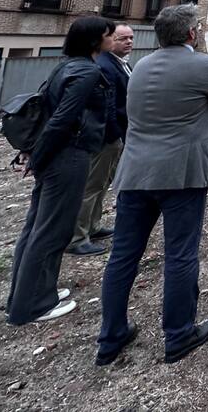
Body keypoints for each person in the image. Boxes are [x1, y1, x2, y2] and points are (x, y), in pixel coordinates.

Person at [95, 5, 208, 366]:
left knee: (123, 255)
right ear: (192, 33)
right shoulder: (205, 65)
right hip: (182, 173)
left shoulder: (140, 66)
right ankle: (179, 334)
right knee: (180, 254)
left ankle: (110, 336)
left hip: (136, 172)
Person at [6, 16, 115, 325]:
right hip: (69, 155)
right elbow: (62, 119)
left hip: (57, 155)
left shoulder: (65, 66)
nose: (112, 38)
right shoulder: (87, 72)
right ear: (95, 40)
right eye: (108, 34)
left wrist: (34, 153)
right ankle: (33, 306)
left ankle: (29, 294)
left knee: (37, 226)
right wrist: (37, 157)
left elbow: (46, 110)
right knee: (53, 230)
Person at [69, 24, 134, 254]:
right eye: (122, 38)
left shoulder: (119, 64)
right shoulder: (105, 66)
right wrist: (115, 135)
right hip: (106, 137)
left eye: (131, 38)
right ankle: (77, 238)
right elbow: (108, 105)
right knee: (91, 185)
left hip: (114, 136)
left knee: (102, 183)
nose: (128, 42)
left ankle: (93, 226)